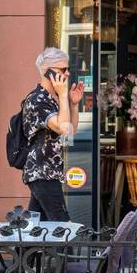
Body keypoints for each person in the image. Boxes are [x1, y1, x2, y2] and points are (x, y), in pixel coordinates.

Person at [19, 48, 84, 222]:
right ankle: (64, 251)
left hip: (47, 173)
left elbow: (70, 130)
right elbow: (62, 128)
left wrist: (73, 104)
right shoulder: (37, 99)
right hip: (42, 173)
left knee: (36, 228)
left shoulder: (49, 99)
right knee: (61, 225)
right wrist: (63, 94)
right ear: (48, 71)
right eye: (63, 69)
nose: (68, 73)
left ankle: (25, 250)